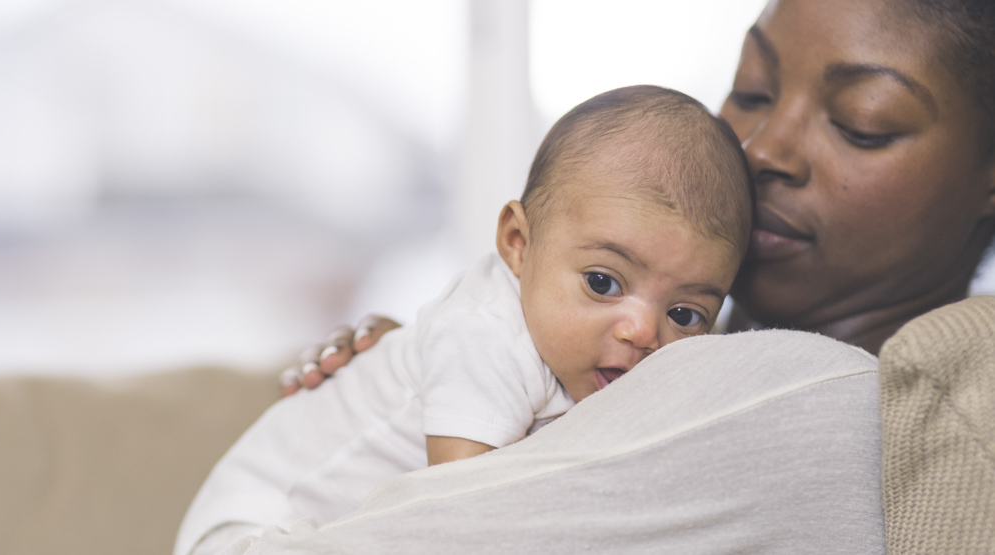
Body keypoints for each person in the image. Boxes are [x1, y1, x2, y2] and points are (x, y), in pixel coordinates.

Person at [237, 0, 994, 552]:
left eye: (862, 120)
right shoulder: (661, 358)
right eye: (753, 90)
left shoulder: (809, 398)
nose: (763, 149)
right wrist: (428, 379)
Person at [175, 85, 753, 555]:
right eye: (603, 282)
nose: (643, 332)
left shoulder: (615, 363)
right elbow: (463, 524)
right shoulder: (485, 336)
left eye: (684, 313)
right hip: (256, 528)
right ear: (518, 243)